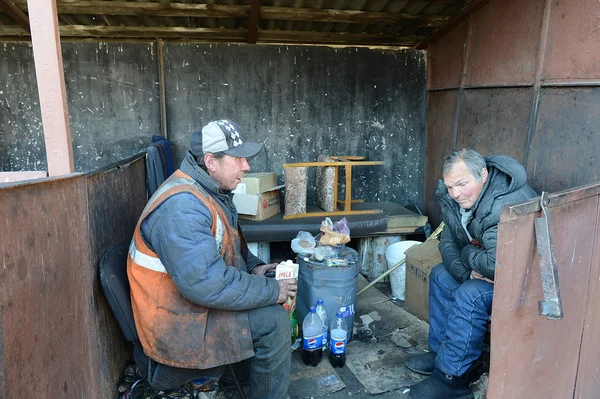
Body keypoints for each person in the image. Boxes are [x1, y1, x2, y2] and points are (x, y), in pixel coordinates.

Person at [127, 120, 296, 399]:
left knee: (264, 303)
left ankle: (235, 383)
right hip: (177, 324)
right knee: (275, 322)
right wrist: (272, 290)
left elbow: (227, 247)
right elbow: (207, 284)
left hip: (192, 305)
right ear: (210, 161)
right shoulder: (183, 207)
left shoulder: (209, 191)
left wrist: (255, 267)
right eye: (238, 159)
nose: (246, 167)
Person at [406, 149, 537, 399]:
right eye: (450, 186)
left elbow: (495, 263)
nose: (455, 194)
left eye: (462, 184)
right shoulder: (456, 198)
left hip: (520, 277)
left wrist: (468, 256)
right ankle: (442, 354)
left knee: (471, 295)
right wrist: (468, 272)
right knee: (441, 275)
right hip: (490, 267)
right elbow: (447, 242)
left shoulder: (502, 204)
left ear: (483, 175)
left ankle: (453, 379)